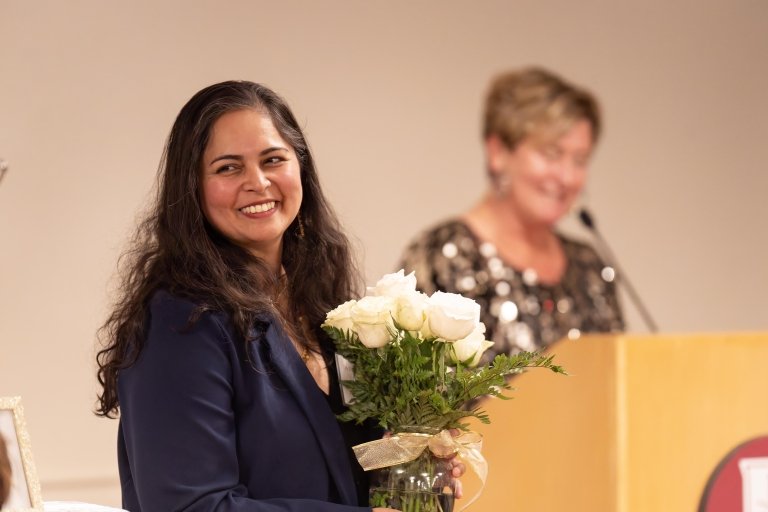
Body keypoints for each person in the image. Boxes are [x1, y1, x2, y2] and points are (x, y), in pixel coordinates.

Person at [95, 81, 400, 512]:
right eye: (228, 168)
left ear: (301, 169)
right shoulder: (180, 322)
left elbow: (338, 457)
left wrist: (411, 458)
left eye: (273, 159)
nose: (257, 182)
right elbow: (191, 506)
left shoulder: (322, 305)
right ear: (192, 189)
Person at [398, 67, 624, 361]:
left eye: (580, 160)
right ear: (498, 152)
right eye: (552, 154)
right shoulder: (444, 256)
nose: (567, 177)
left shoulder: (590, 267)